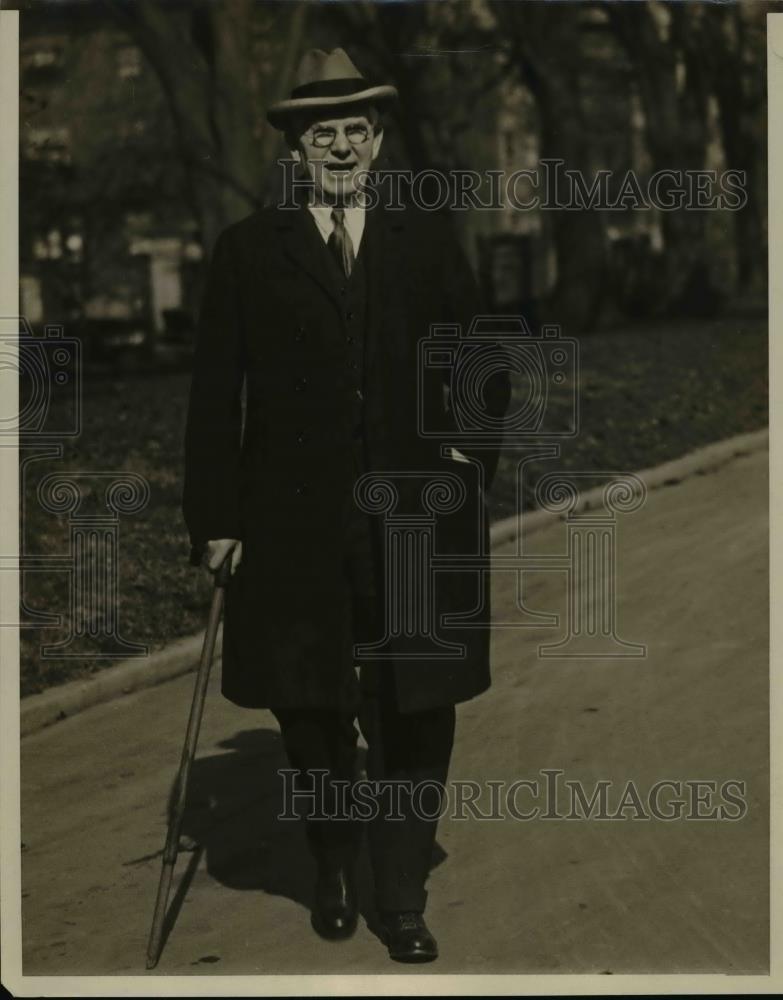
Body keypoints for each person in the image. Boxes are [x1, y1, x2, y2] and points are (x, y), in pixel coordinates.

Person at [182, 47, 511, 963]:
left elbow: (481, 358)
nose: (339, 146)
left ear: (377, 142)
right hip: (291, 525)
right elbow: (214, 397)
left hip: (415, 518)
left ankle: (398, 895)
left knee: (418, 702)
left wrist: (465, 457)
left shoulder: (425, 239)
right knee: (310, 704)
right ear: (295, 147)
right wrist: (217, 520)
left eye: (354, 130)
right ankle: (331, 857)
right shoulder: (250, 250)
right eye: (321, 131)